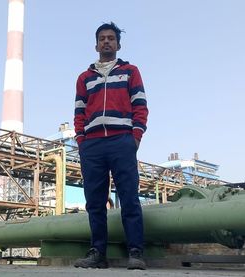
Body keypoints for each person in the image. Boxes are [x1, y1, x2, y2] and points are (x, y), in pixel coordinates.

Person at [73, 22, 148, 270]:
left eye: (111, 38)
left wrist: (135, 137)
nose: (106, 42)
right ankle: (98, 253)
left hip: (121, 141)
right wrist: (81, 141)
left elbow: (140, 105)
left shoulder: (130, 72)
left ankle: (135, 251)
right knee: (94, 201)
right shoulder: (84, 78)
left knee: (129, 196)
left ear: (118, 44)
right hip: (92, 144)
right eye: (102, 38)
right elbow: (79, 112)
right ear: (96, 45)